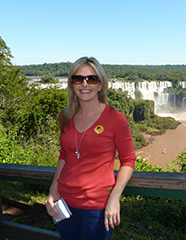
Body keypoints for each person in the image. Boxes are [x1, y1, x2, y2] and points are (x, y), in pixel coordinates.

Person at [45, 57, 136, 240]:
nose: (84, 84)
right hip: (64, 203)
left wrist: (114, 197)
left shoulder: (115, 119)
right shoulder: (65, 116)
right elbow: (64, 155)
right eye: (78, 79)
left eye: (91, 79)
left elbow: (128, 160)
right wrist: (53, 189)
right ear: (72, 85)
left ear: (100, 85)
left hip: (97, 207)